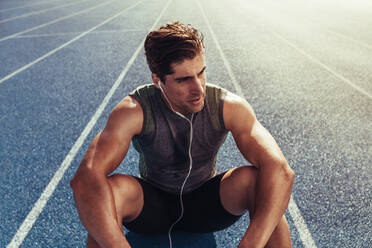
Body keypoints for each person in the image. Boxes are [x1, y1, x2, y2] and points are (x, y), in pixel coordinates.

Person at [70, 21, 295, 248]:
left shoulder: (228, 107)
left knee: (260, 183)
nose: (198, 88)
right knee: (106, 191)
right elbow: (84, 179)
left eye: (201, 73)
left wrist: (250, 245)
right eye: (184, 79)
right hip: (151, 206)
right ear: (158, 80)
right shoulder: (134, 111)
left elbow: (281, 170)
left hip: (205, 203)